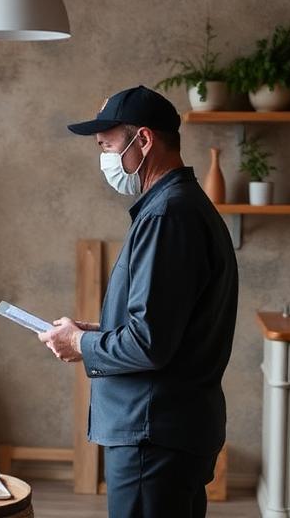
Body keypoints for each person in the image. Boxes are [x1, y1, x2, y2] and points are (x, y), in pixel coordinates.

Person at [38, 85, 238, 518]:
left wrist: (81, 344)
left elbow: (149, 342)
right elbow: (165, 326)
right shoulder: (177, 208)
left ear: (143, 140)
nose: (104, 158)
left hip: (152, 434)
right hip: (167, 430)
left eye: (107, 145)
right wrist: (94, 332)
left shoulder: (168, 217)